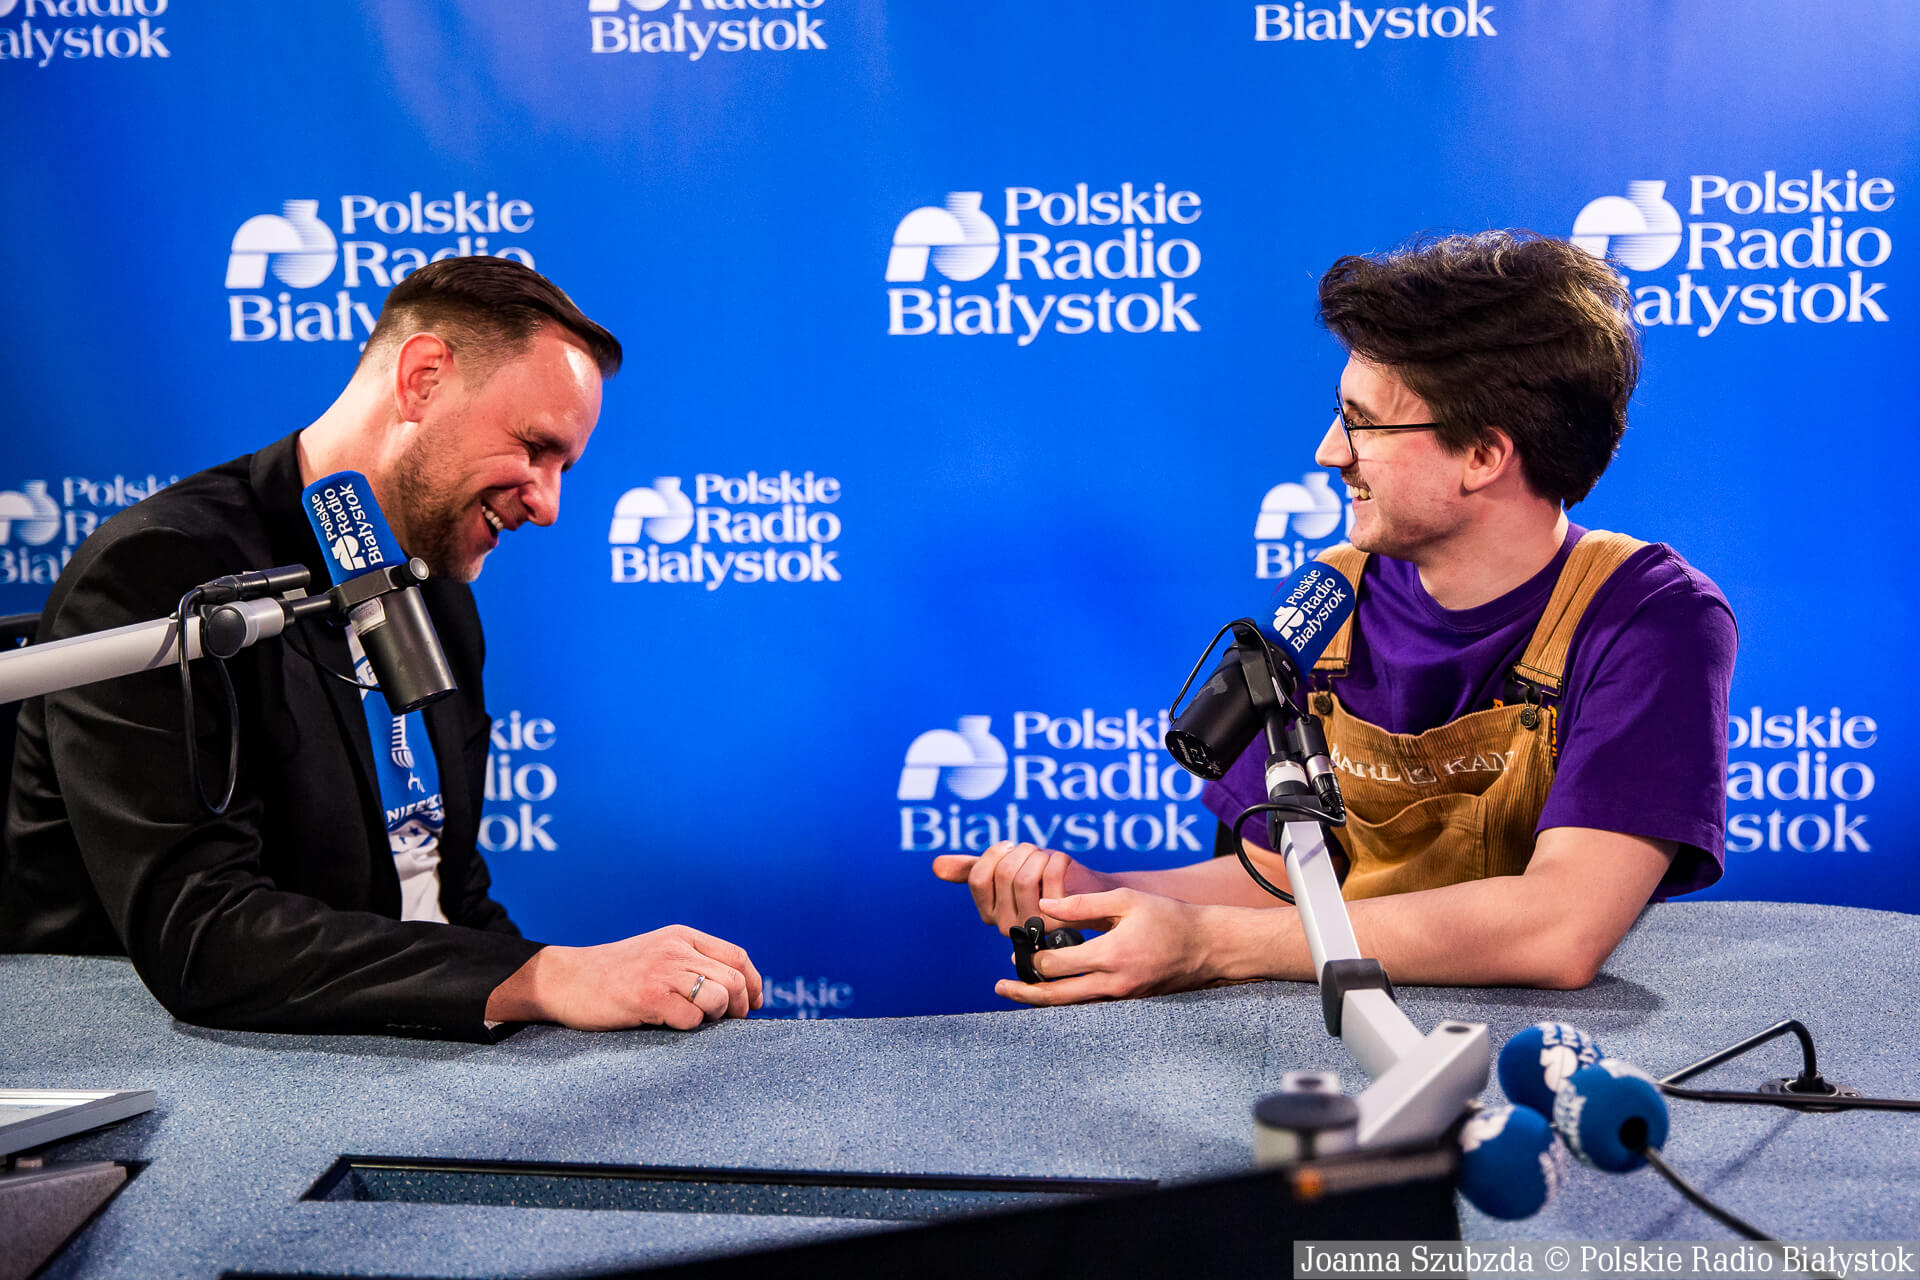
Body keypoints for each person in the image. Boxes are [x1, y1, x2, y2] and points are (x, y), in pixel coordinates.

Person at [933, 231, 1737, 1004]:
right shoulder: (1328, 600)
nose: (1329, 451)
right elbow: (1279, 881)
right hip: (1336, 1038)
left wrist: (1207, 944)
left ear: (1483, 456)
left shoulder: (1651, 618)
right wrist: (1093, 893)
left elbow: (1558, 928)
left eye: (1364, 422)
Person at [1, 257, 761, 1039]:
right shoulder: (162, 571)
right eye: (535, 447)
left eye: (564, 466)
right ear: (422, 379)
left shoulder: (439, 595)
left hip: (381, 1055)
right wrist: (546, 977)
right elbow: (204, 938)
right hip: (160, 1070)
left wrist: (585, 1004)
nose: (548, 504)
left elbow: (448, 899)